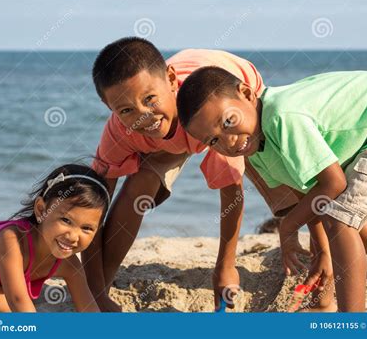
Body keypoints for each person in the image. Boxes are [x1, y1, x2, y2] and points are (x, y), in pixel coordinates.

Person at [176, 67, 367, 311]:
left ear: (247, 93)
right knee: (339, 213)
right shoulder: (255, 152)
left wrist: (287, 227)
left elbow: (333, 183)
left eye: (228, 121)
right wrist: (322, 252)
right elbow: (312, 197)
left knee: (342, 218)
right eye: (213, 140)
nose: (229, 141)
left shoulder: (281, 117)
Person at [84, 36, 304, 312]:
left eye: (150, 99)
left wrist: (225, 266)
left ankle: (311, 245)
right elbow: (91, 211)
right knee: (140, 183)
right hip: (175, 132)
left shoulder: (209, 114)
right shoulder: (120, 132)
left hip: (231, 108)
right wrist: (93, 294)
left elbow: (231, 190)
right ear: (111, 110)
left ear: (171, 80)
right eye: (127, 110)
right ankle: (102, 283)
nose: (144, 116)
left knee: (282, 182)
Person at [0, 164, 109, 312]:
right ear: (41, 210)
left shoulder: (69, 265)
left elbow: (90, 310)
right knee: (6, 306)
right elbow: (18, 301)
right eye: (66, 220)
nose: (73, 236)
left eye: (87, 228)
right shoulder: (12, 240)